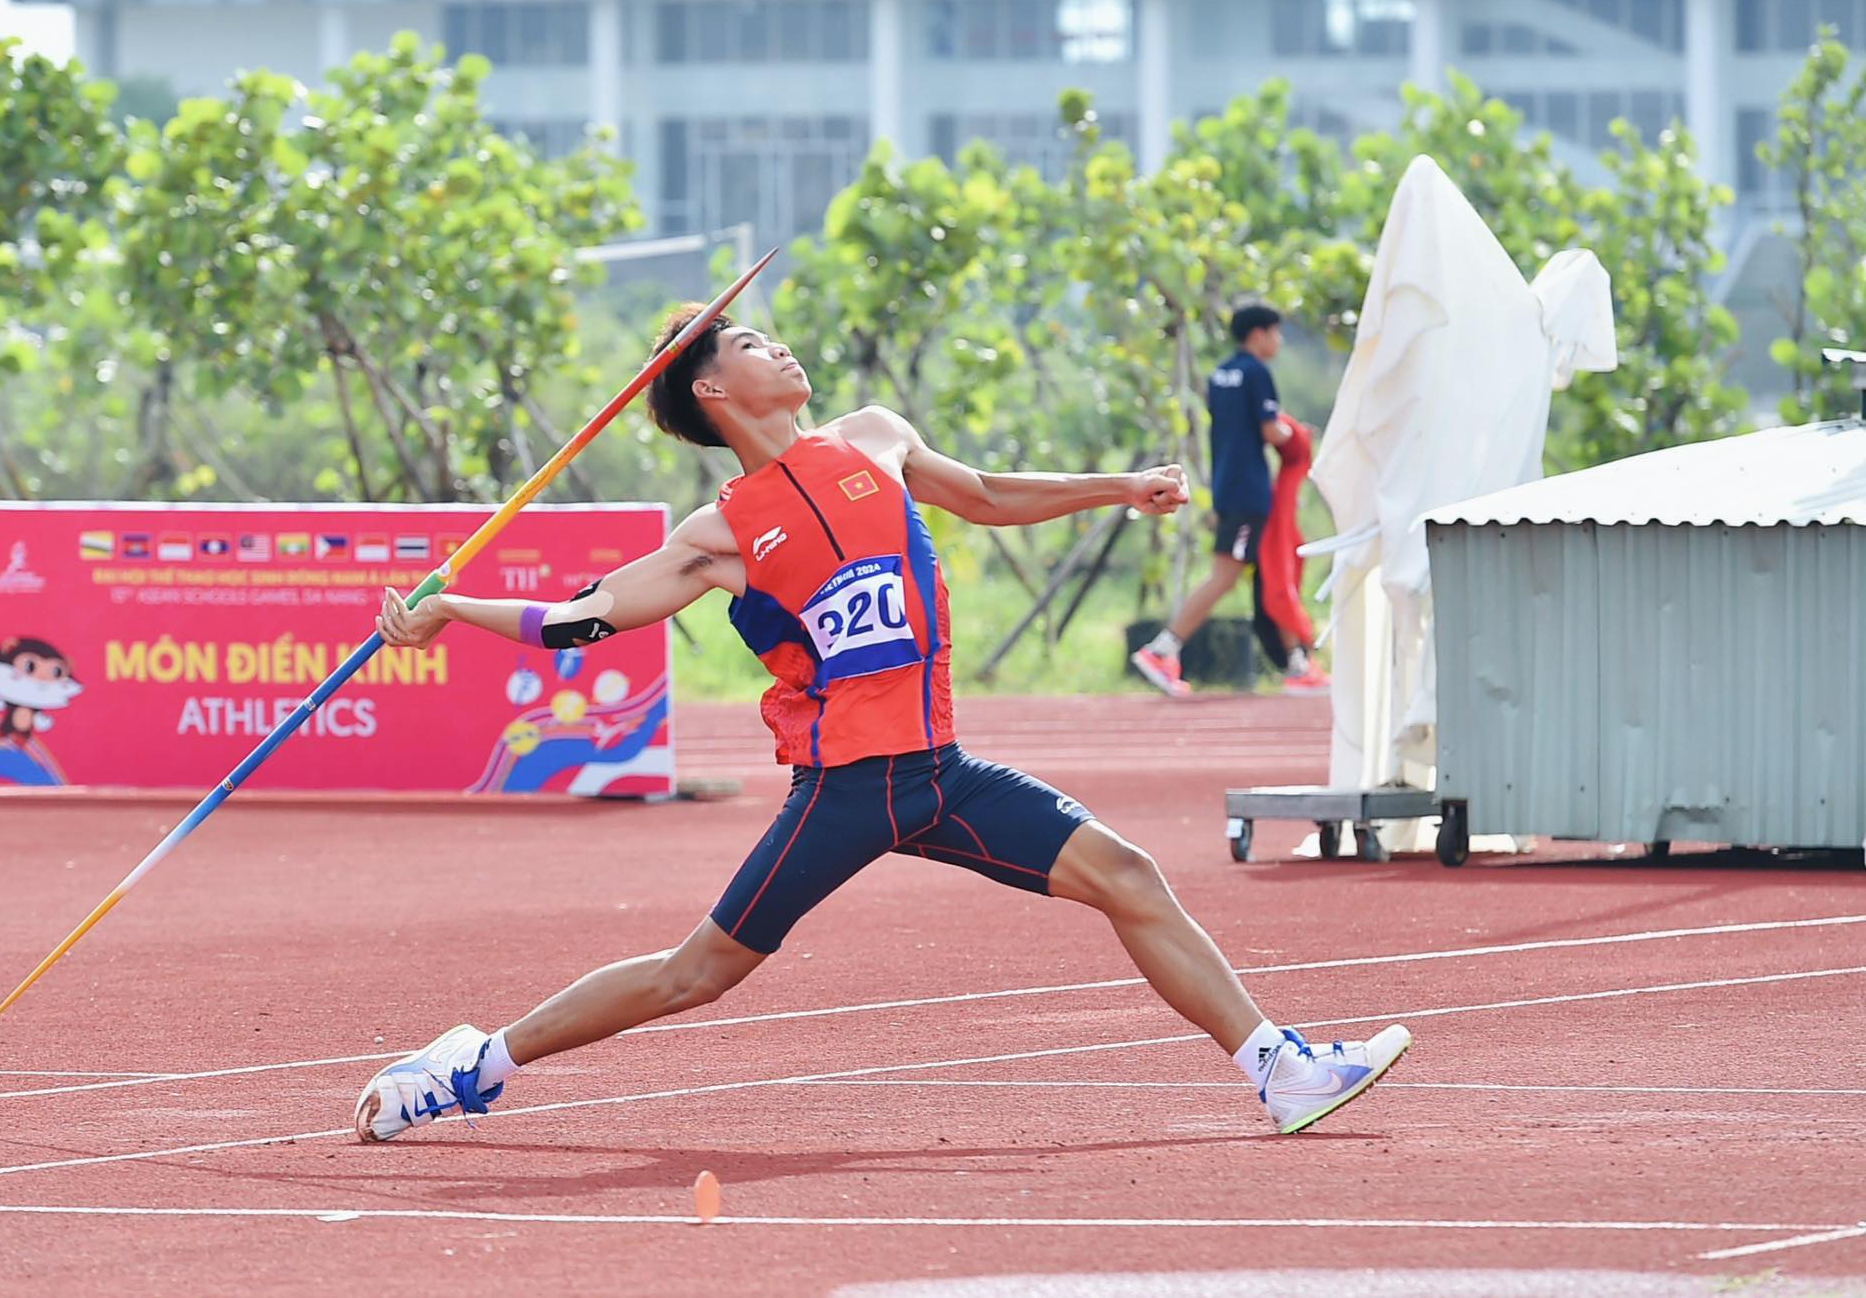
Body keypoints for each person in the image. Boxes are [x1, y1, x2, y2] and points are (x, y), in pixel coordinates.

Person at [351, 303, 1407, 1142]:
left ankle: (1276, 1066)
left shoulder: (874, 436)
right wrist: (450, 607)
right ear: (713, 387)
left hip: (941, 772)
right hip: (845, 789)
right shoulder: (718, 531)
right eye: (752, 341)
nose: (784, 343)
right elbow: (577, 618)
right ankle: (469, 1065)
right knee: (696, 973)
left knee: (1125, 871)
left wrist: (1115, 486)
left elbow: (985, 492)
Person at [1132, 303, 1327, 698]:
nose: (1279, 341)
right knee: (1227, 575)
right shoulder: (1257, 373)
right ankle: (1162, 649)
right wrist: (1300, 436)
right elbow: (1272, 432)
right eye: (1276, 332)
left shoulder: (1219, 375)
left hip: (1228, 484)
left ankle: (1297, 664)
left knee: (1275, 574)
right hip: (1250, 492)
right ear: (1258, 334)